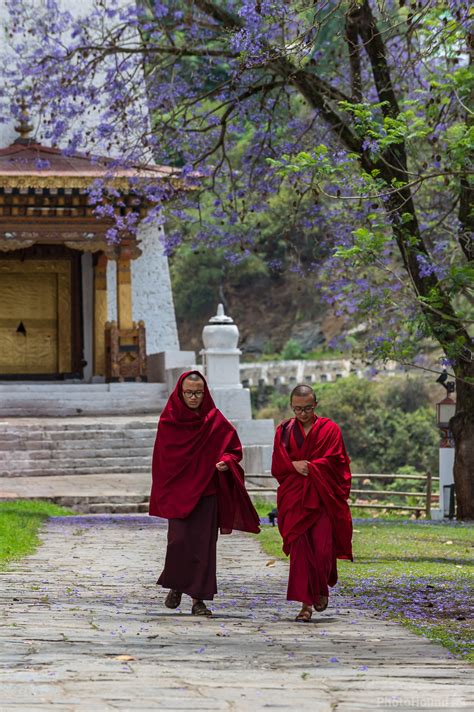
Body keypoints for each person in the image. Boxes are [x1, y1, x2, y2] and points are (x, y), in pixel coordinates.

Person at [149, 370, 260, 616]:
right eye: (189, 392)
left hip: (207, 491)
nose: (193, 397)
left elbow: (234, 449)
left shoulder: (214, 420)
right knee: (177, 542)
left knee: (204, 547)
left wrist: (225, 461)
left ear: (205, 393)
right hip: (179, 491)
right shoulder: (169, 420)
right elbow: (162, 460)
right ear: (180, 392)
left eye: (198, 393)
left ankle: (198, 600)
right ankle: (176, 584)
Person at [271, 384, 352, 622]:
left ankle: (320, 589)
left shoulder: (330, 429)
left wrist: (313, 467)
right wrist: (293, 466)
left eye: (307, 408)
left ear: (315, 405)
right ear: (291, 407)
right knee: (300, 554)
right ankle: (305, 605)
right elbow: (278, 464)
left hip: (322, 499)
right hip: (295, 499)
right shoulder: (284, 430)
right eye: (297, 409)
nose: (302, 414)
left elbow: (338, 462)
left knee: (323, 551)